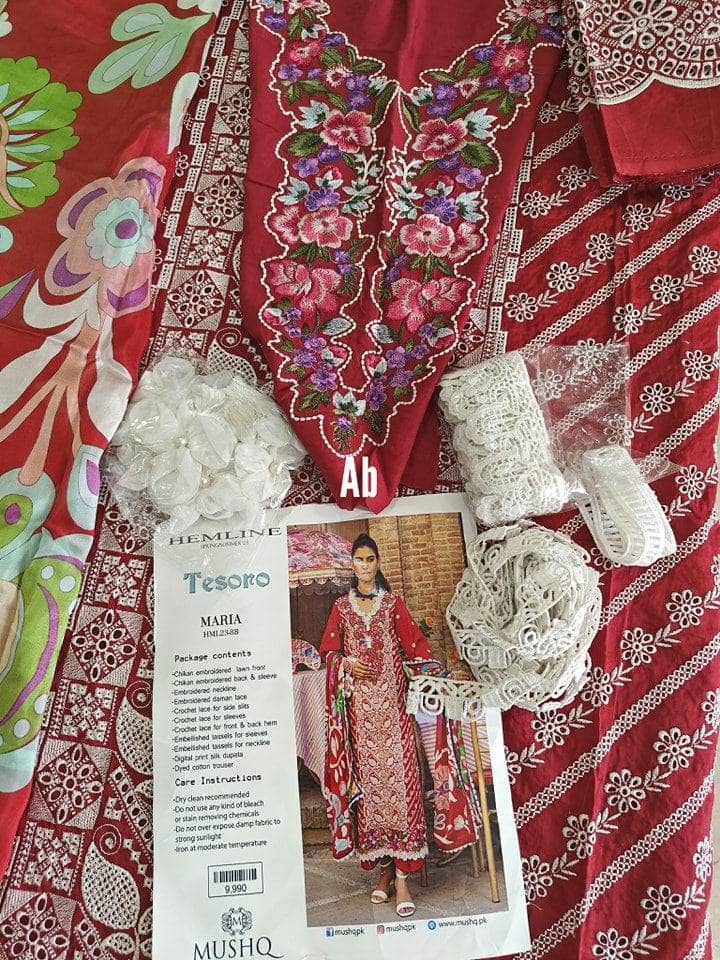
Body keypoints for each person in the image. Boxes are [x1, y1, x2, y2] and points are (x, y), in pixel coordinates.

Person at [319, 533, 434, 918]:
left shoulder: (392, 604)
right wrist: (346, 663)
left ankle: (402, 879)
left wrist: (435, 676)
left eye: (370, 559)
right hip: (360, 716)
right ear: (352, 565)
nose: (365, 566)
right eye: (359, 560)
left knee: (402, 785)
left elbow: (415, 646)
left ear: (378, 562)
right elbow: (328, 652)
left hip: (394, 711)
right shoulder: (341, 608)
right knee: (369, 793)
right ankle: (383, 872)